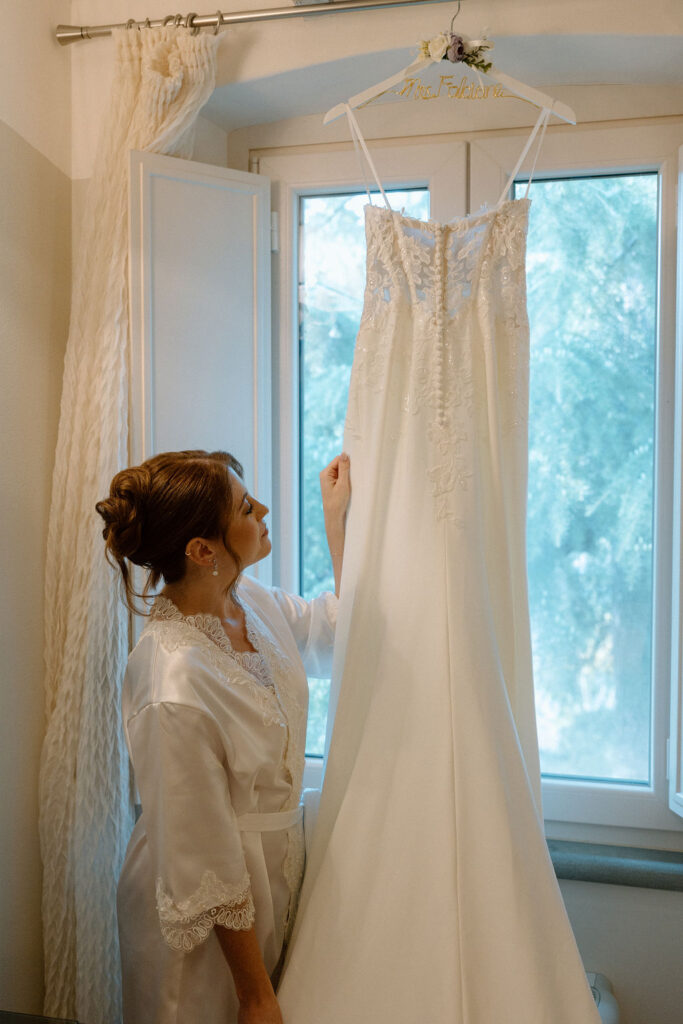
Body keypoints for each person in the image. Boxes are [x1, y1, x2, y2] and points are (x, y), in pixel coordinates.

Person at [96, 448, 350, 1024]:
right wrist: (254, 993)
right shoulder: (172, 680)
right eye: (244, 506)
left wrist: (337, 522)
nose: (261, 508)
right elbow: (201, 856)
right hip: (205, 918)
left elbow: (331, 634)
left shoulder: (249, 602)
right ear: (203, 551)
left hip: (275, 878)